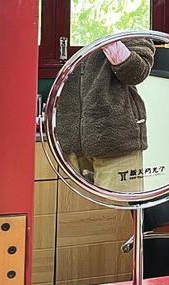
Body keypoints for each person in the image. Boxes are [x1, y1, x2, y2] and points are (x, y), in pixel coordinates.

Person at [54, 37, 155, 192]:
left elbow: (136, 72)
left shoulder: (131, 32)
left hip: (116, 144)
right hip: (71, 144)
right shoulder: (68, 35)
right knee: (80, 206)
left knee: (118, 205)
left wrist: (110, 41)